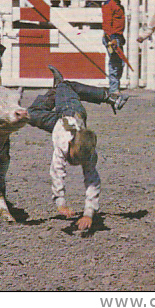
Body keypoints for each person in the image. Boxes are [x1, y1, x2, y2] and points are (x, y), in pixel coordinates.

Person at [27, 65, 128, 231]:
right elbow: (57, 171)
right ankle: (108, 96)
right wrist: (60, 202)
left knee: (35, 110)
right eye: (74, 155)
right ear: (71, 143)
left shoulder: (89, 154)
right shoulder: (63, 141)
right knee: (63, 89)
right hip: (70, 112)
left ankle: (58, 87)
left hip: (62, 123)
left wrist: (88, 213)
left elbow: (92, 181)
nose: (74, 161)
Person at [101, 0, 126, 95]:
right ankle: (114, 88)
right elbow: (107, 24)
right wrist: (112, 38)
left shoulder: (116, 4)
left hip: (117, 36)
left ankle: (115, 86)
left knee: (119, 62)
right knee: (115, 61)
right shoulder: (109, 5)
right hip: (112, 37)